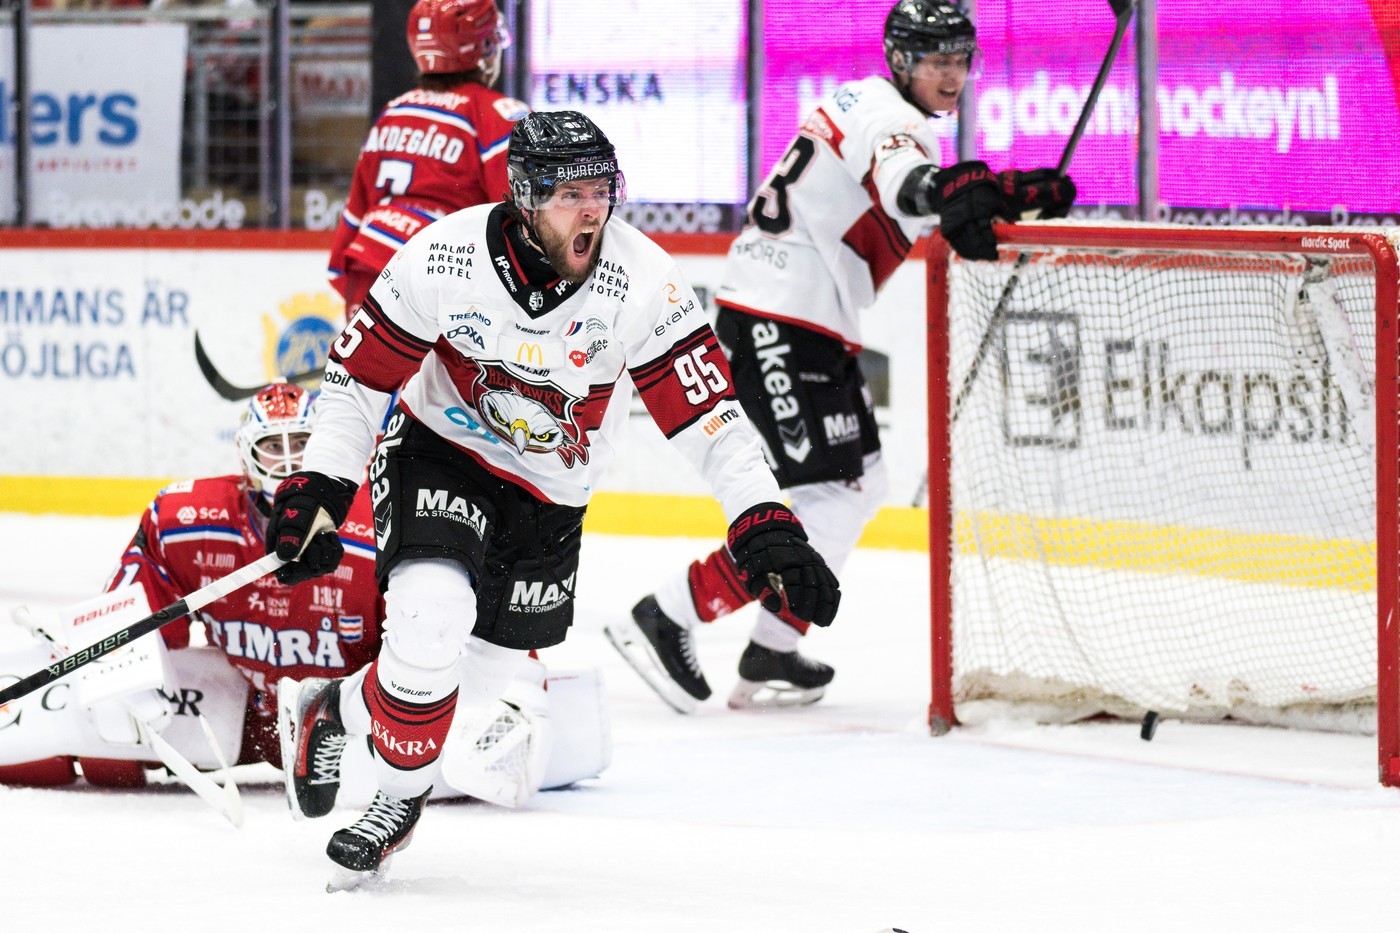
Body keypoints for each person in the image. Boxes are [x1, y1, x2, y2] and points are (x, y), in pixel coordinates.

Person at [264, 109, 841, 886]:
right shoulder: (444, 256)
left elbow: (712, 415)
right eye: (572, 192)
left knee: (472, 684)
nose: (593, 208)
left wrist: (762, 515)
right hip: (444, 455)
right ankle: (397, 803)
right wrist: (321, 481)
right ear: (527, 197)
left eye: (603, 188)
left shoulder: (641, 281)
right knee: (429, 618)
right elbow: (360, 378)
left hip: (552, 493)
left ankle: (335, 710)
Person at [606, 0, 1077, 713]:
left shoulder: (866, 103)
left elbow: (925, 199)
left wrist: (997, 192)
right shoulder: (892, 119)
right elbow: (910, 184)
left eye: (960, 60)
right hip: (777, 316)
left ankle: (772, 644)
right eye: (936, 60)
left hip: (800, 316)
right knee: (832, 493)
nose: (952, 76)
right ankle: (671, 611)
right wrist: (959, 191)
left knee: (860, 486)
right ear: (901, 60)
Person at [0, 383, 609, 812]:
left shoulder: (380, 522)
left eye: (303, 443)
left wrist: (517, 688)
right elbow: (133, 597)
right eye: (274, 447)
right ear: (245, 456)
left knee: (484, 758)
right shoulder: (186, 517)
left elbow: (454, 625)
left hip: (357, 718)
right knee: (96, 734)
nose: (290, 461)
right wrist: (119, 672)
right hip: (247, 708)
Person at [327, 0, 529, 315]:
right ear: (486, 50)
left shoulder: (395, 111)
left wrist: (345, 276)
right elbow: (519, 218)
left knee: (363, 366)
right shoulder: (498, 115)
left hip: (367, 263)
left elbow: (355, 212)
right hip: (439, 275)